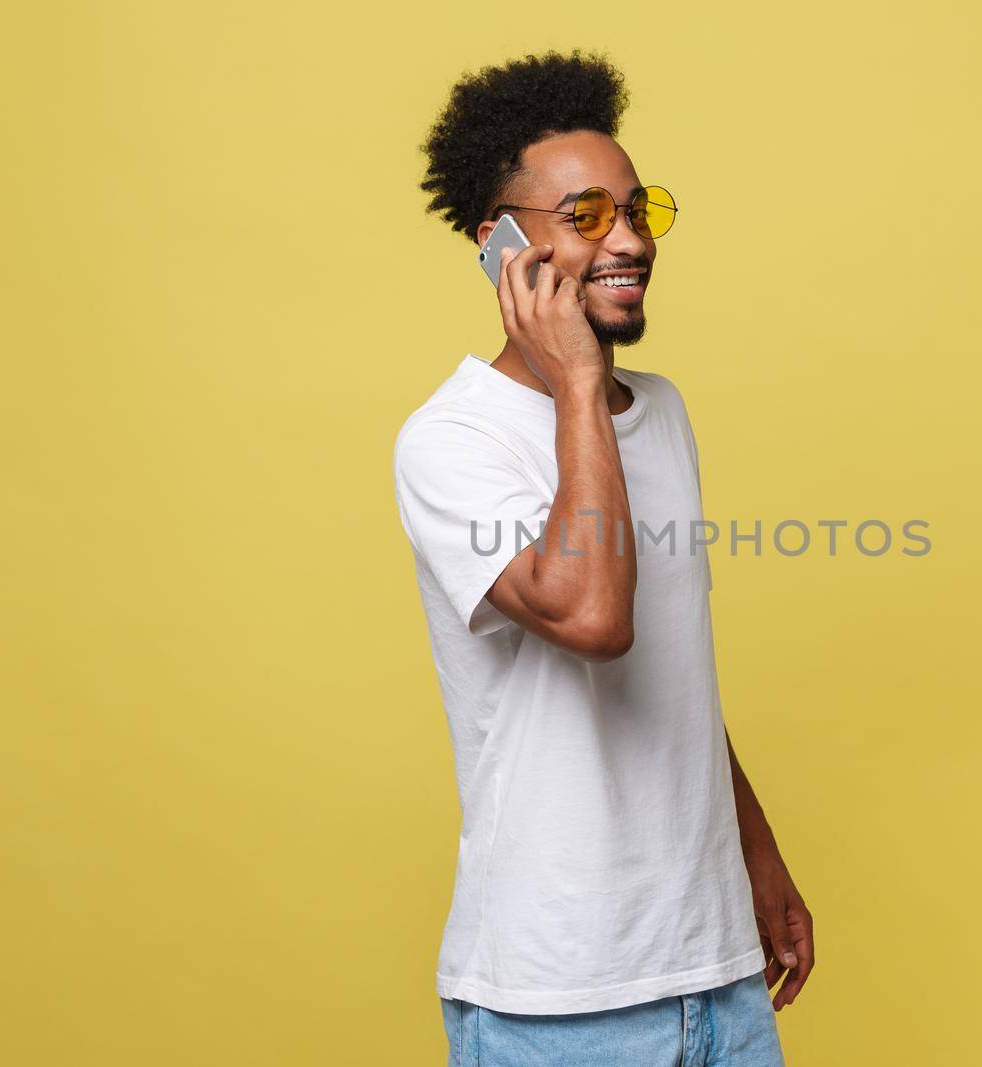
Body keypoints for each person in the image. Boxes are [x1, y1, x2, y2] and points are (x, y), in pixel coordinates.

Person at [392, 50, 814, 1065]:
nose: (628, 241)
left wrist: (753, 855)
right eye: (584, 217)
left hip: (715, 972)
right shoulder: (451, 441)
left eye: (637, 210)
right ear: (501, 246)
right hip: (561, 997)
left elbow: (672, 668)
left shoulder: (659, 412)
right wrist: (577, 382)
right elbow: (593, 619)